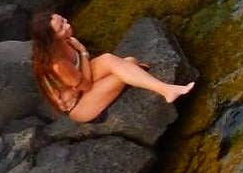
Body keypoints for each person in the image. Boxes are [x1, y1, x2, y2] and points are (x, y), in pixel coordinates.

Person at [30, 11, 195, 123]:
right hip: (80, 105)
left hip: (82, 83)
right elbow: (86, 86)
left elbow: (84, 74)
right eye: (61, 28)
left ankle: (164, 88)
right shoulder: (57, 64)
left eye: (63, 20)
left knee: (114, 60)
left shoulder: (66, 41)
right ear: (51, 38)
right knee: (125, 68)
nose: (67, 25)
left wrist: (83, 55)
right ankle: (167, 90)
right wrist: (84, 53)